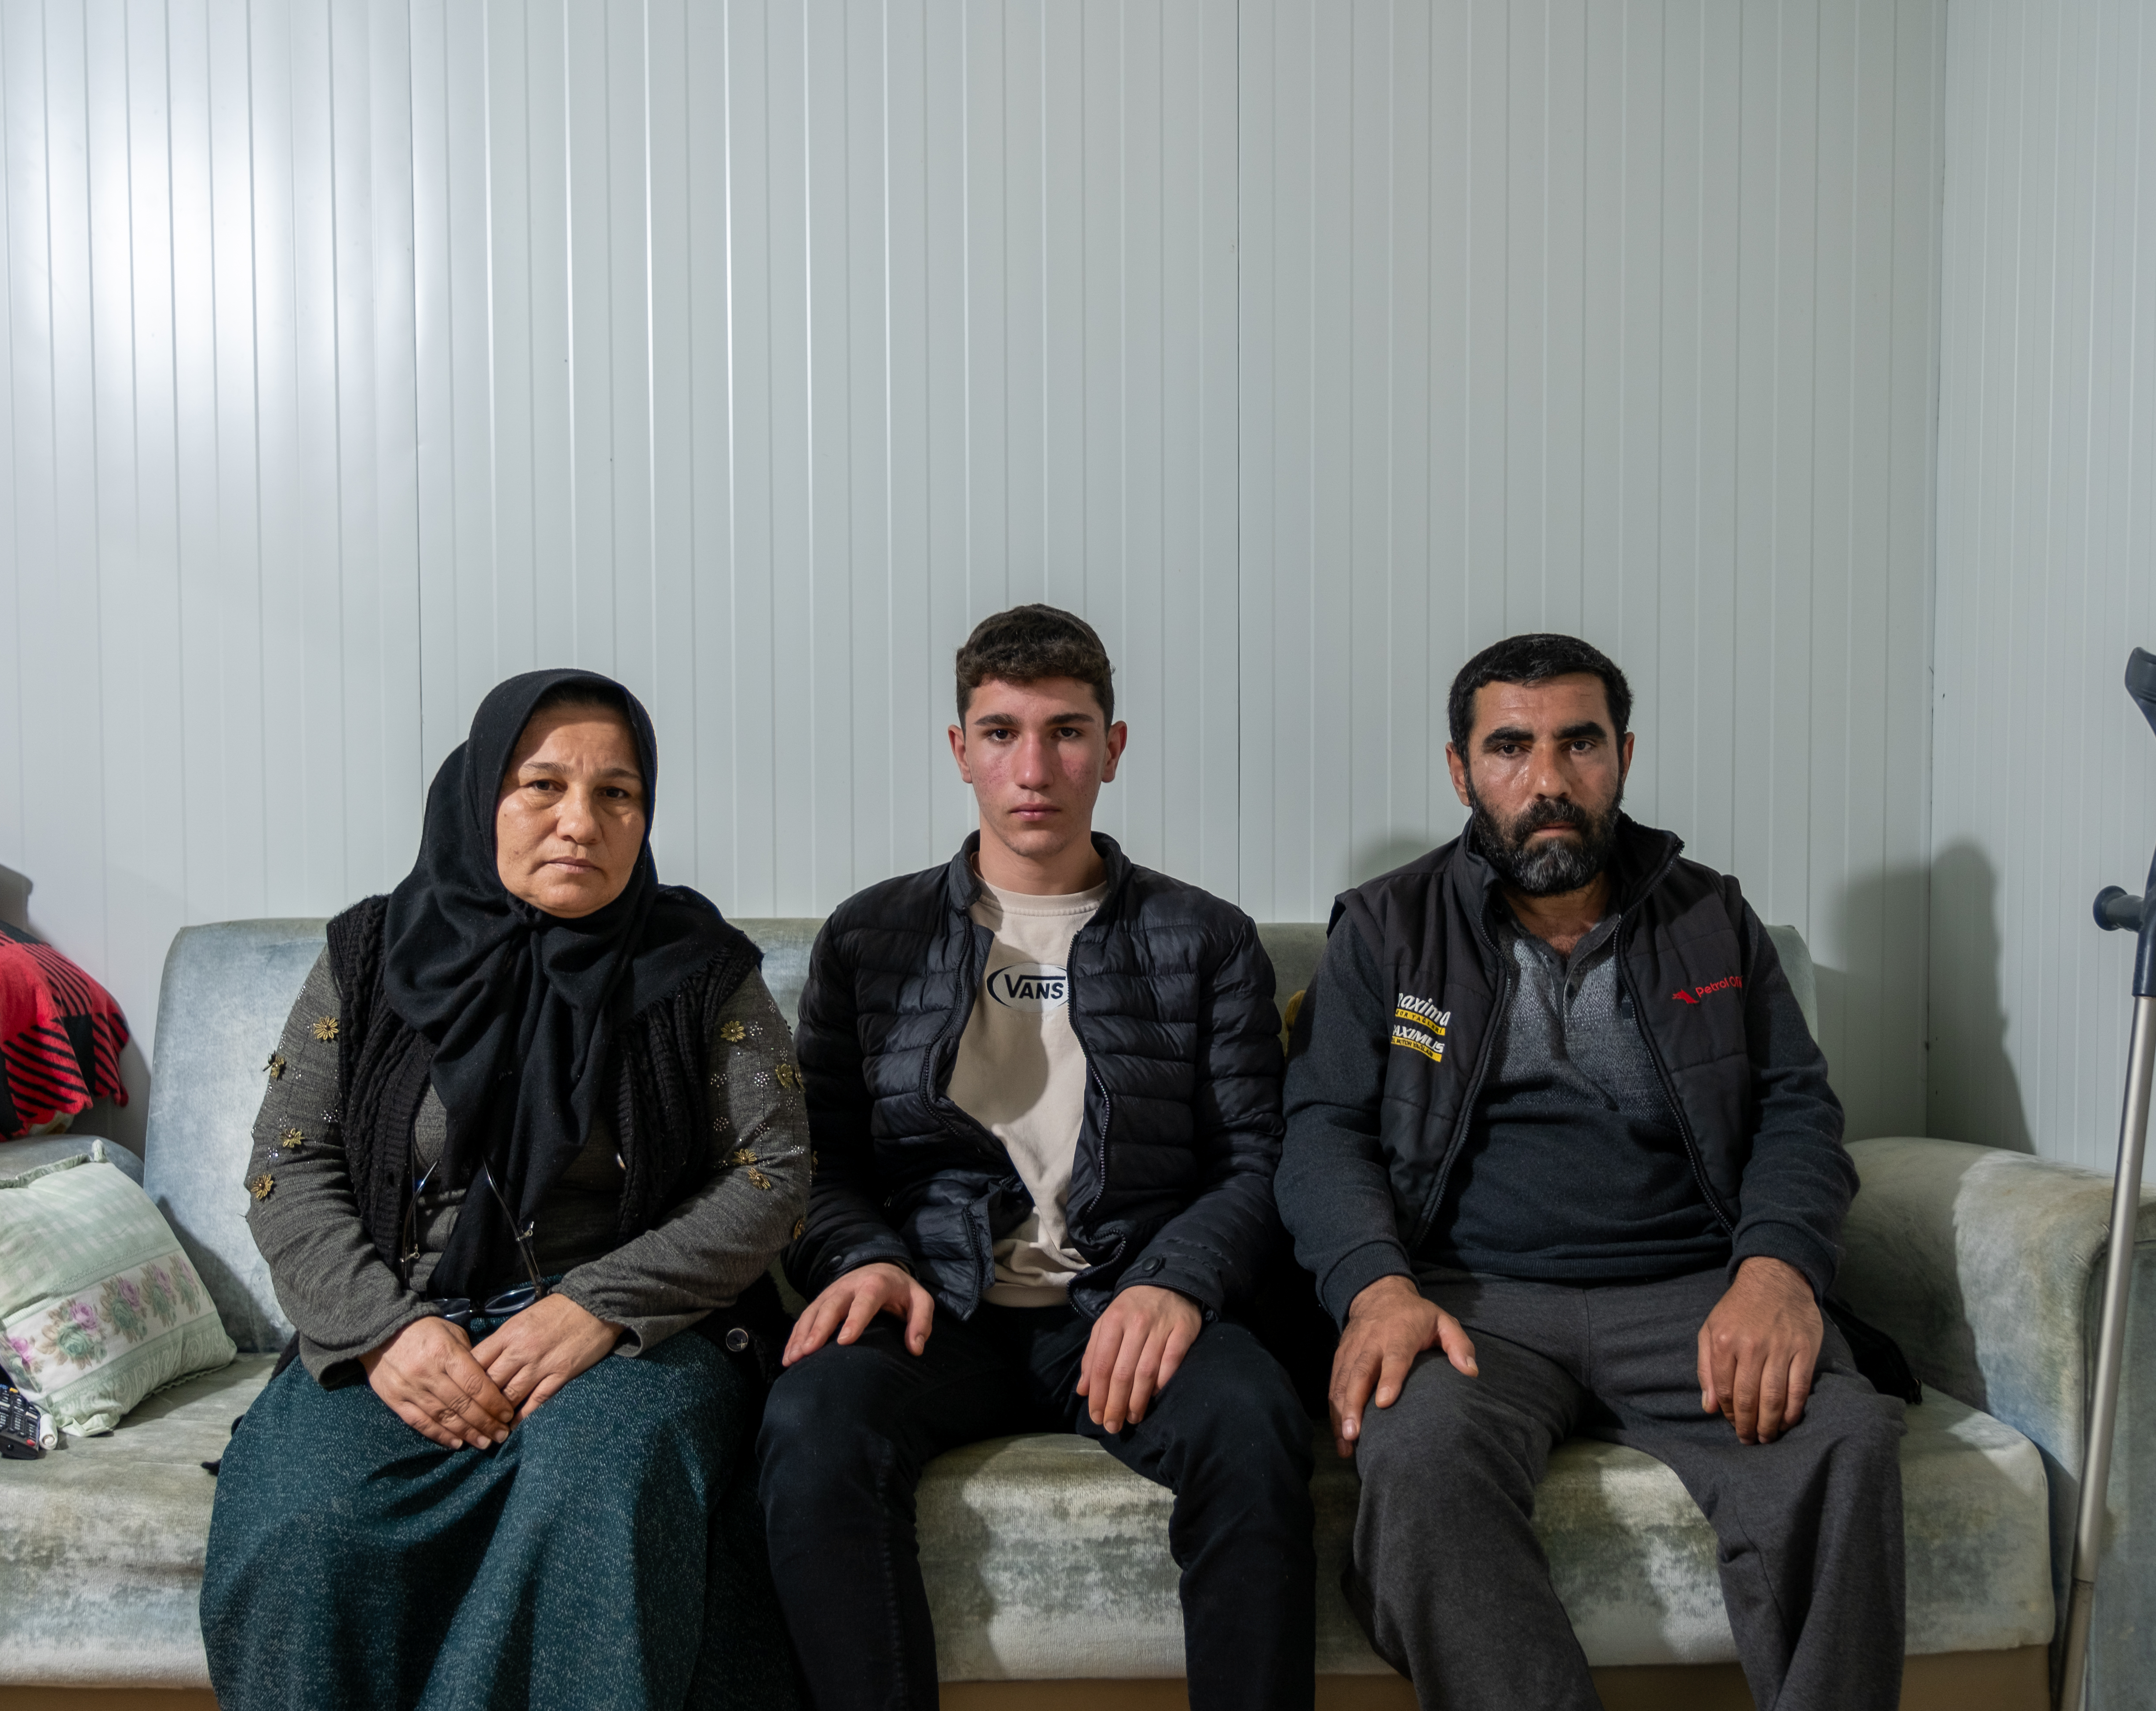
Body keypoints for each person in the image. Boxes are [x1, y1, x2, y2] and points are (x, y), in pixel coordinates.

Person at [1275, 634, 1905, 1711]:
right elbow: (1322, 1127)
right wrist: (1377, 1286)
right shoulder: (1388, 927)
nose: (1549, 780)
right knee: (1418, 1449)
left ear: (1624, 754)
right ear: (1461, 769)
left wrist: (1777, 1273)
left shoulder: (1713, 918)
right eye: (1511, 747)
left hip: (1692, 1294)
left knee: (1843, 1437)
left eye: (1581, 743)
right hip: (1474, 1301)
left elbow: (1800, 1109)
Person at [202, 669, 807, 1711]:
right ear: (480, 793)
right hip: (402, 1322)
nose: (582, 821)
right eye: (543, 785)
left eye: (618, 793)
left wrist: (600, 1304)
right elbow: (288, 1165)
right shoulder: (370, 951)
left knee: (597, 1492)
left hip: (628, 1336)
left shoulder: (699, 965)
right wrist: (385, 1331)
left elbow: (773, 1173)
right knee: (303, 1525)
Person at [757, 605, 1317, 1711]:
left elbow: (1259, 1158)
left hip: (1126, 1304)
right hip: (937, 1307)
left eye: (1067, 730)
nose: (1035, 766)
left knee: (1252, 1420)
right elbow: (811, 1159)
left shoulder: (1205, 939)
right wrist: (861, 1257)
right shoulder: (873, 937)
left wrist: (1177, 1280)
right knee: (809, 1424)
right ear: (958, 748)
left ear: (1114, 747)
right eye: (1001, 731)